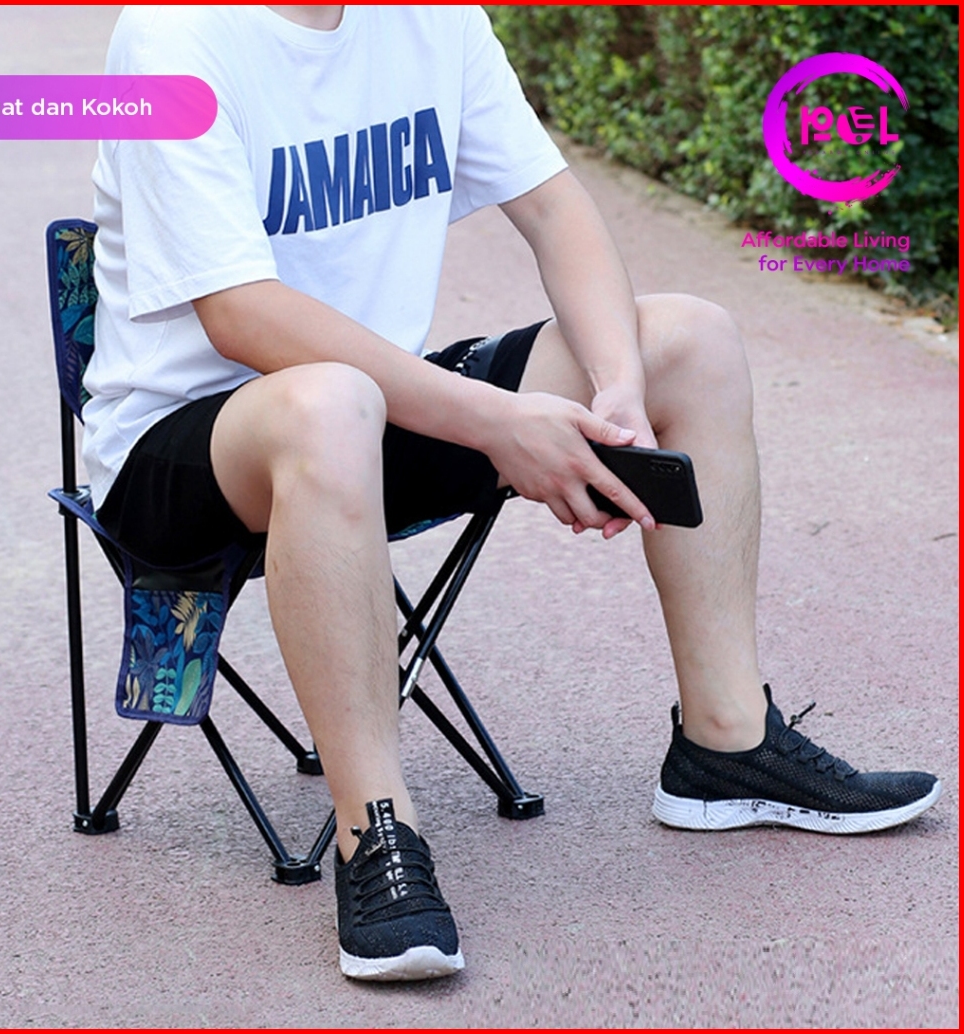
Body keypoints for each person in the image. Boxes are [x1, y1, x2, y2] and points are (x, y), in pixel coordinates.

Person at [83, 5, 941, 982]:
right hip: (182, 450)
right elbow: (241, 314)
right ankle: (376, 831)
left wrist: (619, 387)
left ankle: (725, 741)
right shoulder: (174, 37)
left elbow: (552, 207)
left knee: (689, 340)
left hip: (378, 406)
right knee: (327, 403)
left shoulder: (432, 19)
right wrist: (496, 423)